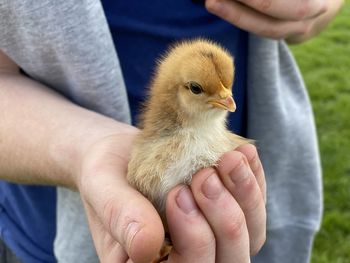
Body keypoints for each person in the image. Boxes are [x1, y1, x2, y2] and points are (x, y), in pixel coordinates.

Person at [0, 0, 343, 262]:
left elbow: (319, 10)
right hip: (46, 227)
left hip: (256, 210)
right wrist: (86, 148)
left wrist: (315, 7)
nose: (225, 97)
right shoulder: (156, 159)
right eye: (200, 90)